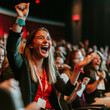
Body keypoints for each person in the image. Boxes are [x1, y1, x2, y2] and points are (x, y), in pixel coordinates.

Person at [6, 3, 83, 110]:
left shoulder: (50, 68)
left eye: (48, 38)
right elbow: (12, 49)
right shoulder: (23, 64)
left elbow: (66, 90)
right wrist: (20, 18)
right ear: (31, 45)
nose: (46, 41)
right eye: (41, 38)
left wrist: (78, 68)